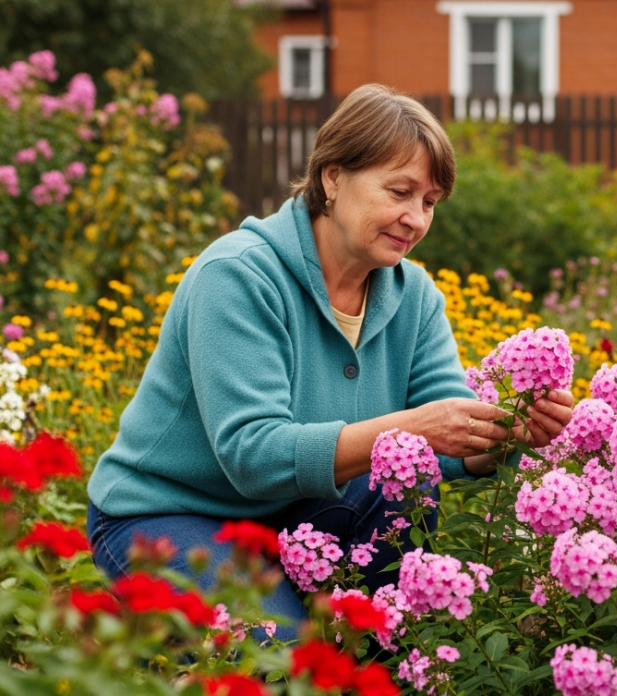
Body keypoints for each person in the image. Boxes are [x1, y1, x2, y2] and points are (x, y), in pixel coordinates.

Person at [84, 84, 573, 639]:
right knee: (278, 657)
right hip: (171, 517)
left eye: (429, 202)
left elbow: (443, 430)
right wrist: (413, 427)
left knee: (396, 549)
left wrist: (505, 435)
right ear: (332, 177)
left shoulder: (413, 294)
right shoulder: (239, 277)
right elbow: (253, 455)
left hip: (298, 520)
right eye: (399, 191)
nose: (414, 218)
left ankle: (376, 646)